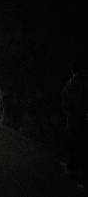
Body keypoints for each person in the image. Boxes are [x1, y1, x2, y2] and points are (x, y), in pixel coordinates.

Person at [62, 58, 88, 189]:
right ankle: (79, 172)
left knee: (73, 142)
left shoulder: (71, 83)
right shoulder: (83, 81)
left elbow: (65, 101)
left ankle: (73, 168)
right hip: (81, 117)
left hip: (72, 117)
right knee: (81, 143)